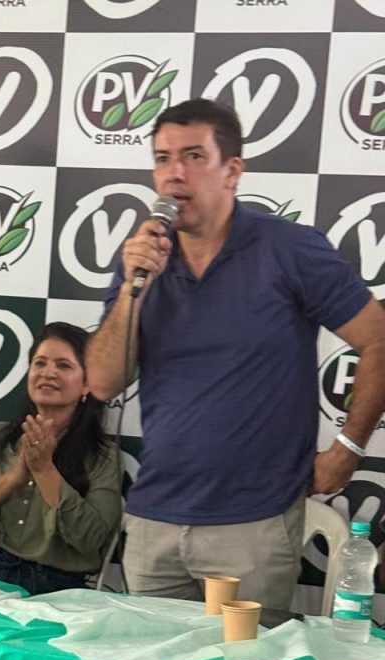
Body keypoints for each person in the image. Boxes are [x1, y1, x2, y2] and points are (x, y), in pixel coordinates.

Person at [86, 98, 385, 610]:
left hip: (254, 524)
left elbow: (378, 339)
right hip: (154, 517)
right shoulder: (143, 259)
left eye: (193, 156)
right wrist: (133, 288)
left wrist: (348, 447)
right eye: (162, 158)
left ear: (232, 171)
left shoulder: (289, 248)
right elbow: (102, 381)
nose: (174, 173)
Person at [0, 323, 123, 595]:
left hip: (58, 588)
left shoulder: (102, 455)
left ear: (87, 385)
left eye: (63, 365)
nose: (47, 373)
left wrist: (45, 471)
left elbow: (92, 539)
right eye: (39, 363)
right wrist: (14, 478)